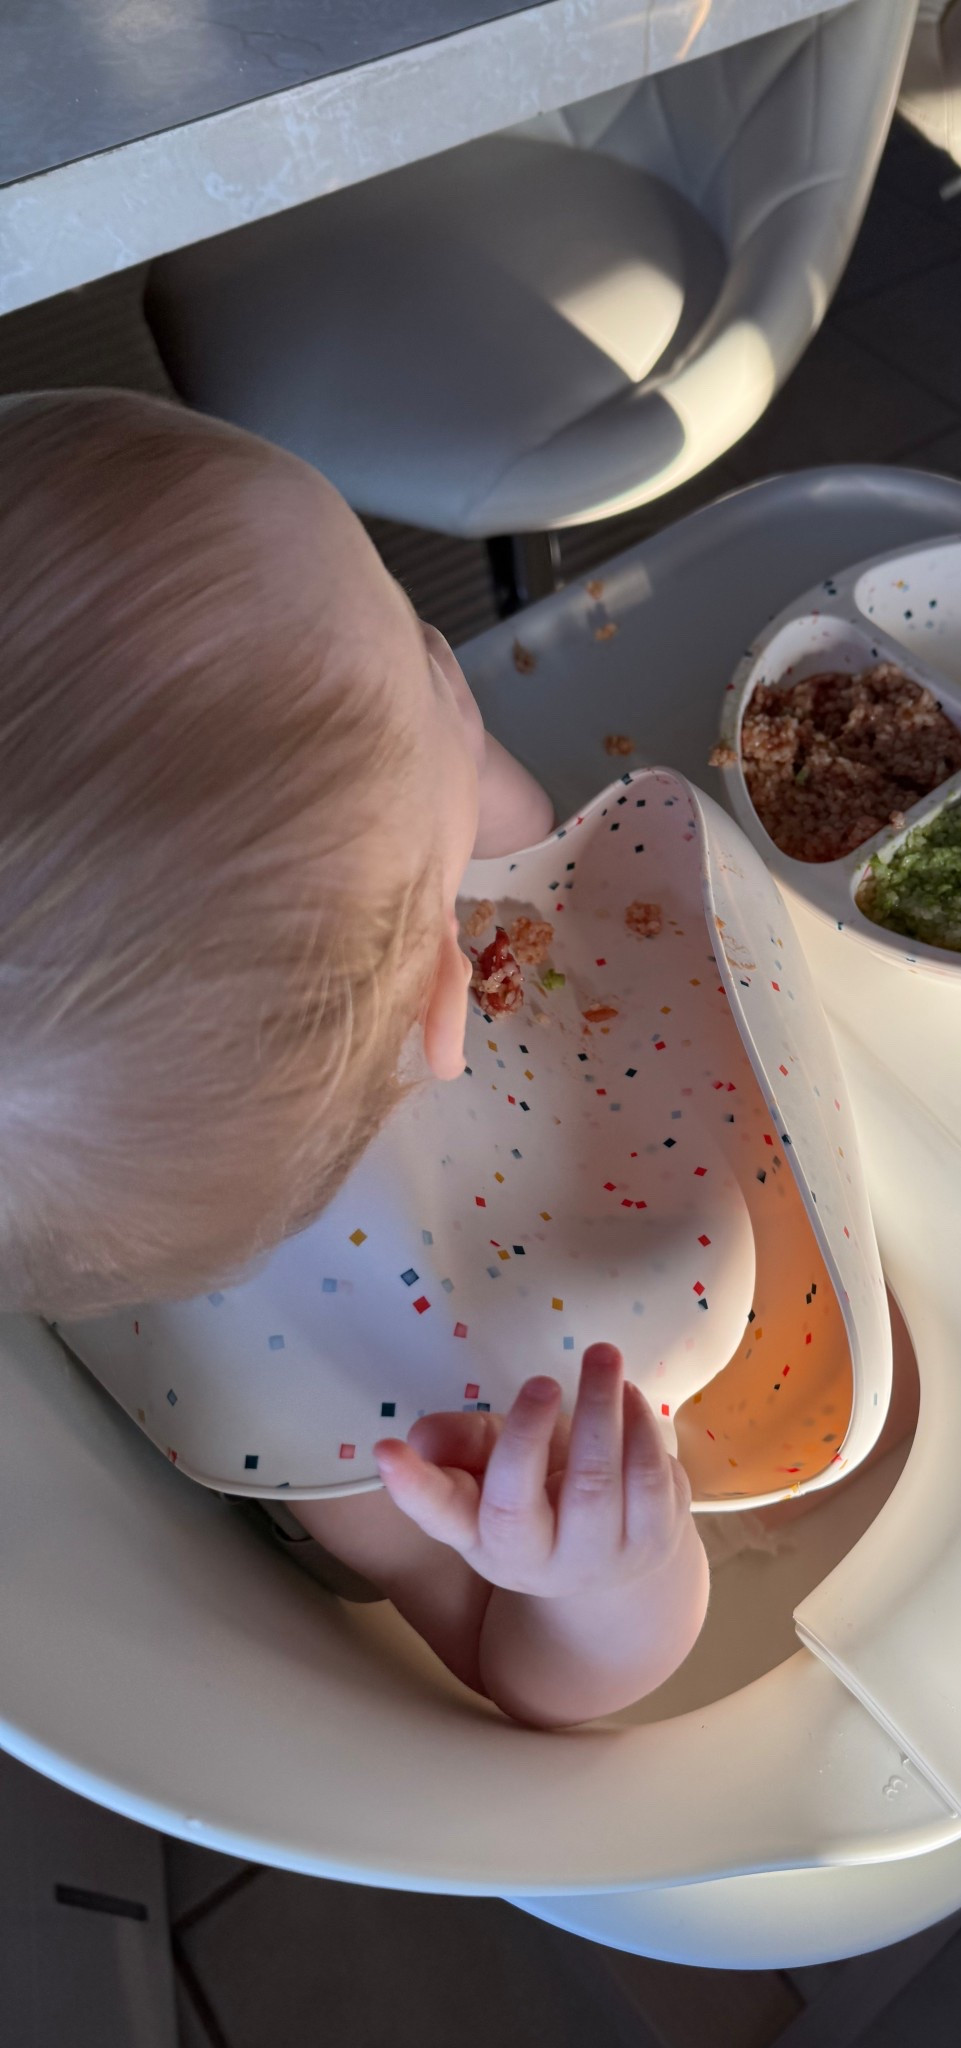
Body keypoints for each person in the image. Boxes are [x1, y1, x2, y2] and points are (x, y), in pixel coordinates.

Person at [0, 389, 708, 1728]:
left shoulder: (118, 1082)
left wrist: (428, 763)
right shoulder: (331, 1404)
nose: (446, 649)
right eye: (405, 619)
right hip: (365, 1426)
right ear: (445, 1016)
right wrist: (616, 1581)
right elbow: (522, 1670)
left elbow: (510, 834)